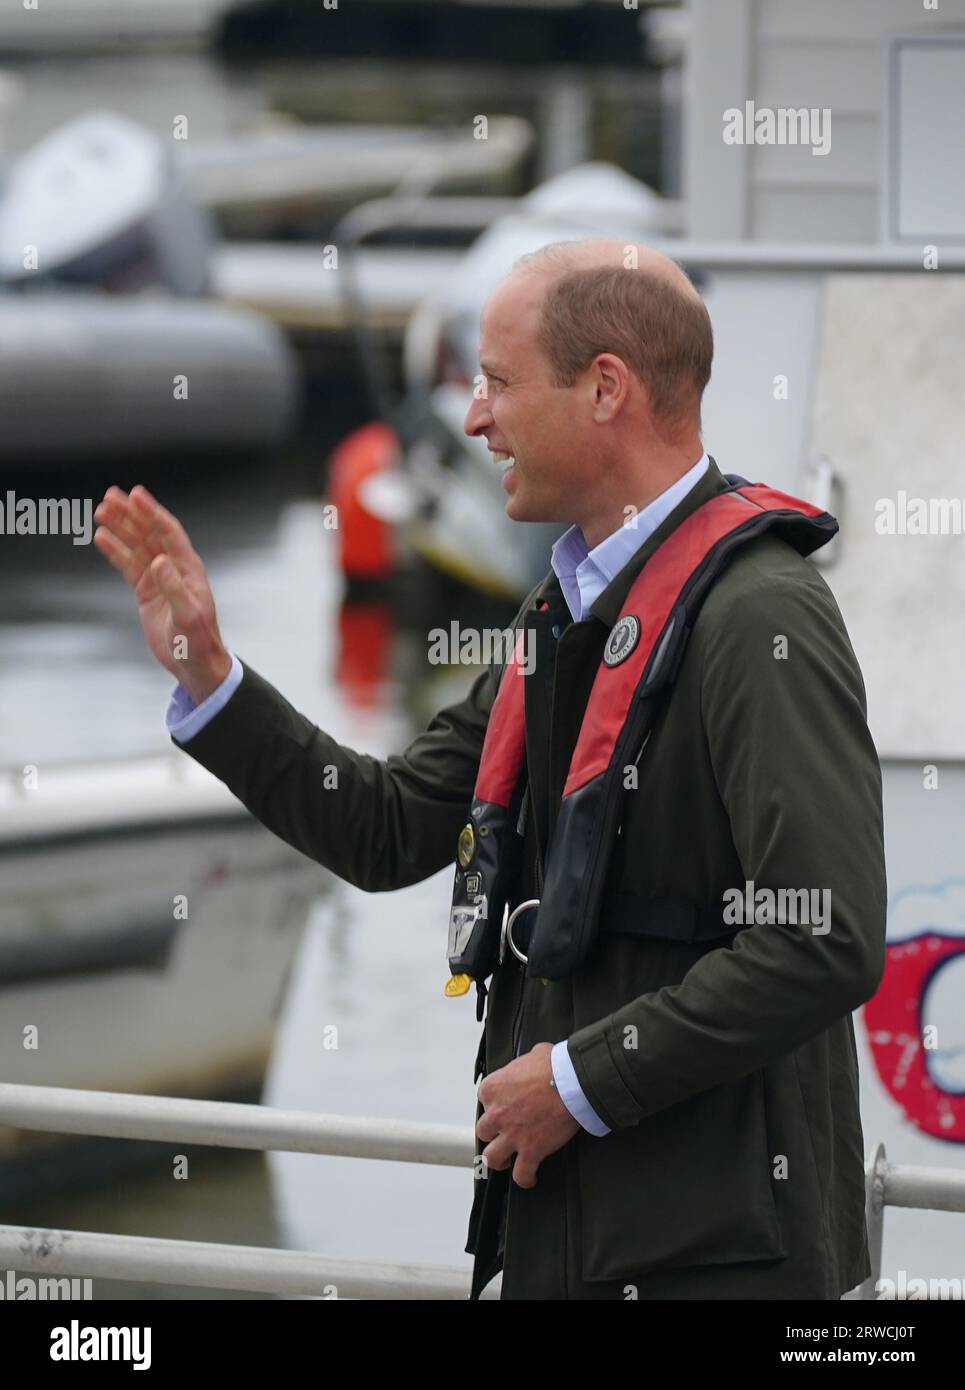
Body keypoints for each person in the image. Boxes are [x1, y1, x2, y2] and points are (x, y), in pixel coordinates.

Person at [93, 238, 887, 1301]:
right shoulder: (562, 613)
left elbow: (822, 938)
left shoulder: (760, 615)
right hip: (572, 1244)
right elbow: (383, 830)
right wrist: (210, 672)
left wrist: (576, 1080)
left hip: (722, 1265)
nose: (472, 419)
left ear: (604, 387)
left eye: (498, 382)